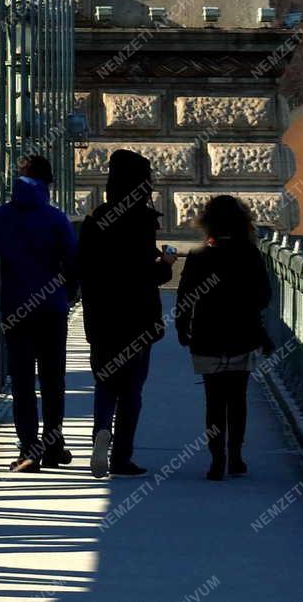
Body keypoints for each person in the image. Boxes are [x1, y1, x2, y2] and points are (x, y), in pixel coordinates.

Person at [0, 154, 78, 472]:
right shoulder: (56, 218)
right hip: (52, 308)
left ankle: (29, 451)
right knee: (52, 379)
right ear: (48, 184)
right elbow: (73, 262)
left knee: (21, 380)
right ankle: (54, 444)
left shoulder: (0, 217)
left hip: (15, 307)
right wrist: (68, 295)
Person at [77, 148, 176, 479]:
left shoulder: (94, 222)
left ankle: (100, 433)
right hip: (138, 319)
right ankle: (122, 457)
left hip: (102, 318)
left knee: (105, 382)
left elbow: (83, 271)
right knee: (132, 390)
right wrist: (165, 265)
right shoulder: (143, 222)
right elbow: (146, 275)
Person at [175, 194, 272, 480]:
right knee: (237, 398)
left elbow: (184, 298)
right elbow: (263, 296)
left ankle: (216, 459)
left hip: (207, 336)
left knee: (214, 400)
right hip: (242, 334)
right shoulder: (250, 255)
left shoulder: (198, 255)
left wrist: (183, 328)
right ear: (242, 222)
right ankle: (236, 457)